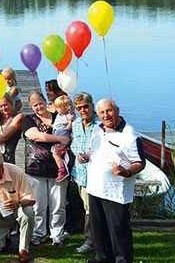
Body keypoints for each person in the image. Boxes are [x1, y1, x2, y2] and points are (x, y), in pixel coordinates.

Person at [85, 99, 144, 263]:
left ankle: (122, 260)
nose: (106, 115)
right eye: (102, 112)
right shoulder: (97, 129)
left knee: (118, 230)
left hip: (116, 192)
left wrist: (126, 172)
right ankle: (102, 257)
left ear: (117, 110)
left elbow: (139, 162)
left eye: (109, 111)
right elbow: (95, 149)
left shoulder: (129, 134)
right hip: (95, 187)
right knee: (98, 228)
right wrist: (87, 156)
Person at [22, 91, 71, 246]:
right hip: (35, 169)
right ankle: (38, 233)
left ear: (45, 102)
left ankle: (57, 234)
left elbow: (70, 130)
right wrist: (60, 139)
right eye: (35, 105)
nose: (38, 107)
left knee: (59, 204)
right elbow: (36, 136)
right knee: (39, 205)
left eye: (40, 103)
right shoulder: (28, 120)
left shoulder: (58, 117)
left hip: (59, 169)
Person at [70, 92, 98, 255]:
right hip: (80, 175)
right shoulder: (75, 124)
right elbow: (75, 143)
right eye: (79, 108)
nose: (83, 110)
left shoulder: (100, 125)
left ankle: (90, 241)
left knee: (91, 210)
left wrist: (89, 155)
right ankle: (94, 240)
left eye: (85, 107)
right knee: (88, 208)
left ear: (92, 106)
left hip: (96, 175)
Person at [0, 94, 25, 164]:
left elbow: (4, 137)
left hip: (8, 159)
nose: (3, 108)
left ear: (11, 103)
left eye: (5, 105)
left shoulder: (18, 117)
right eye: (1, 106)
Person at [52, 95, 74, 182]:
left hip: (62, 139)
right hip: (58, 137)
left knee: (56, 154)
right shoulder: (60, 115)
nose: (56, 109)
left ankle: (62, 170)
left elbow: (69, 129)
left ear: (65, 108)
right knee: (60, 155)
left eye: (58, 107)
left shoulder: (68, 116)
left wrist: (70, 122)